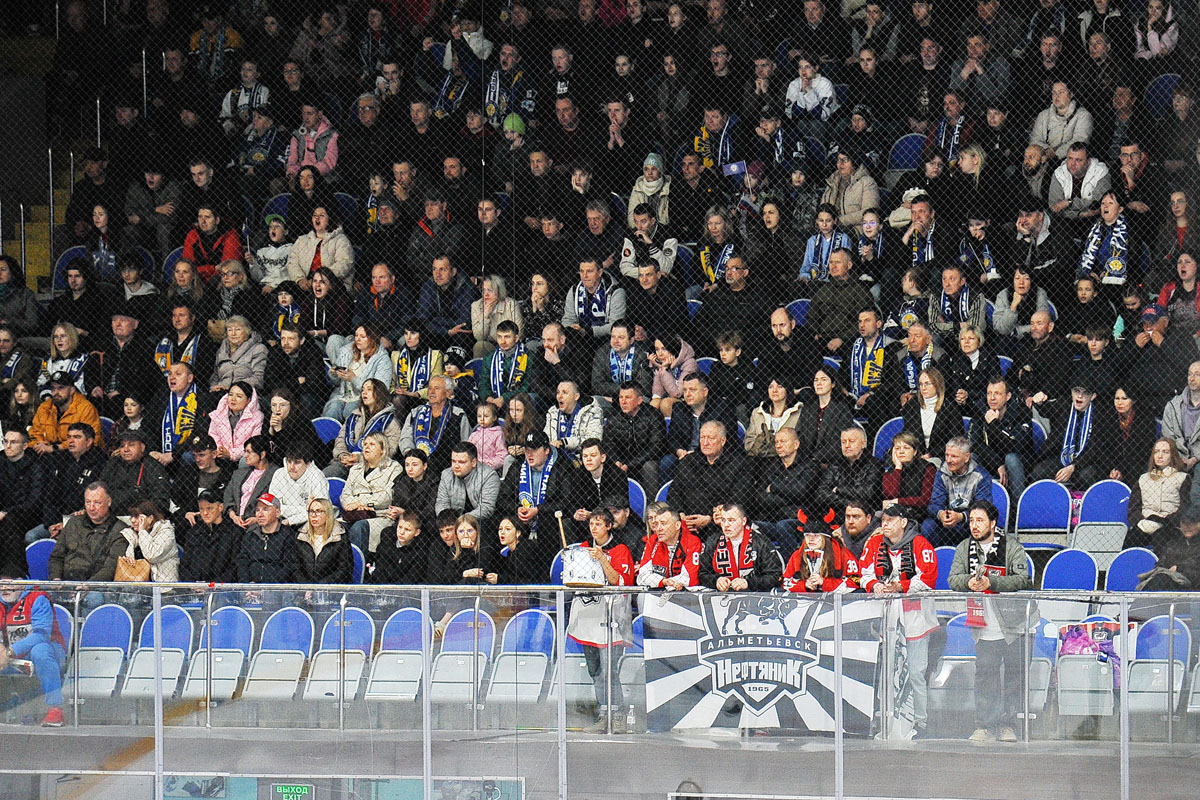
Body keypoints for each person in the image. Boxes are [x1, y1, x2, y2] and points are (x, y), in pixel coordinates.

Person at [948, 500, 1036, 744]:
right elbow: (953, 579)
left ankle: (1008, 726)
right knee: (986, 677)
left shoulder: (1012, 546)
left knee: (1014, 678)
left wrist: (992, 583)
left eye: (980, 520)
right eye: (972, 521)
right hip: (984, 625)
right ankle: (985, 726)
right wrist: (968, 582)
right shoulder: (964, 548)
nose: (974, 526)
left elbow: (1023, 579)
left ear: (993, 523)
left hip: (1015, 626)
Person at [859, 502, 939, 737]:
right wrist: (875, 585)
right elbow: (863, 574)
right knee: (885, 672)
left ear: (903, 522)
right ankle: (884, 718)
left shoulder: (921, 544)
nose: (884, 524)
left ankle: (920, 722)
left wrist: (900, 586)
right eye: (883, 520)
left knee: (915, 672)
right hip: (885, 619)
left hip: (916, 619)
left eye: (890, 520)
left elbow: (928, 579)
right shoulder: (874, 543)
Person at [566, 506, 635, 733]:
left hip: (610, 621)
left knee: (609, 671)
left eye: (598, 524)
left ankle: (618, 715)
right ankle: (604, 714)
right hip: (588, 619)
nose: (594, 528)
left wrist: (603, 559)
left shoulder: (620, 550)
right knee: (595, 671)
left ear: (609, 526)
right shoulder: (582, 549)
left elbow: (620, 581)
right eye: (591, 524)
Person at [0, 563, 69, 727]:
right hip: (9, 653)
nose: (4, 589)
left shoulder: (38, 598)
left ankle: (56, 709)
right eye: (1, 584)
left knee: (40, 650)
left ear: (22, 583)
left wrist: (9, 652)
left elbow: (41, 635)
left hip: (49, 651)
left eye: (9, 583)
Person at [1030, 379, 1116, 488]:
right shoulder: (1064, 405)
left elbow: (1095, 448)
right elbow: (1046, 410)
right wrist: (1039, 401)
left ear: (1093, 396)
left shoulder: (1100, 415)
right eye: (1076, 391)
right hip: (1061, 457)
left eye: (1085, 393)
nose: (1080, 396)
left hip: (1086, 462)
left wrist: (1074, 466)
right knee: (1039, 472)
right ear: (1071, 392)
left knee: (1086, 476)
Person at [673, 421, 753, 537]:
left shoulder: (739, 464)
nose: (705, 443)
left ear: (722, 441)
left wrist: (710, 519)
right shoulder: (687, 462)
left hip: (720, 527)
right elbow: (674, 492)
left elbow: (739, 499)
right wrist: (680, 514)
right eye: (702, 438)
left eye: (711, 438)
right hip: (686, 526)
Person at [47, 482, 125, 586]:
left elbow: (110, 568)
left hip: (97, 587)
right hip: (65, 583)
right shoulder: (73, 523)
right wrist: (56, 579)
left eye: (97, 503)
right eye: (88, 502)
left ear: (109, 502)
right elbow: (56, 557)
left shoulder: (119, 531)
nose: (91, 508)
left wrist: (88, 586)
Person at [924, 437, 994, 547]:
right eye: (947, 455)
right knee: (928, 526)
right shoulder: (941, 474)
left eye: (954, 456)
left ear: (966, 457)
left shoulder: (981, 476)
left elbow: (983, 507)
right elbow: (934, 504)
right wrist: (941, 514)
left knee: (983, 523)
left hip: (969, 522)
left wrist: (961, 516)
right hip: (947, 522)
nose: (948, 460)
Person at [698, 502, 783, 591]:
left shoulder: (761, 542)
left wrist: (749, 583)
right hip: (722, 595)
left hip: (754, 595)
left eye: (731, 520)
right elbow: (702, 574)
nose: (726, 525)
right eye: (723, 520)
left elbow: (776, 577)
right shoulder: (713, 541)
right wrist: (716, 580)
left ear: (743, 521)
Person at [341, 432, 403, 554]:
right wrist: (357, 507)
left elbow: (387, 497)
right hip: (354, 513)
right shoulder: (355, 469)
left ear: (382, 450)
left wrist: (360, 502)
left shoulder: (394, 468)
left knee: (359, 527)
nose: (366, 447)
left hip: (380, 515)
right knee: (335, 526)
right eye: (365, 444)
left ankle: (359, 564)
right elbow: (345, 496)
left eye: (372, 444)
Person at [1127, 438, 1192, 549]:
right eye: (1156, 452)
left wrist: (1165, 522)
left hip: (1169, 526)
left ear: (1172, 455)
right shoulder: (1143, 479)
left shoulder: (1182, 478)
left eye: (1165, 452)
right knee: (1131, 539)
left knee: (1161, 538)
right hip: (1145, 524)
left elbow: (1185, 507)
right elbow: (1133, 508)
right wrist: (1141, 522)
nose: (1160, 456)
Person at [795, 367, 855, 468]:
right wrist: (806, 458)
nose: (819, 383)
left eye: (823, 380)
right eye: (816, 380)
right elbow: (800, 435)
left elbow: (839, 441)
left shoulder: (842, 408)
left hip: (832, 462)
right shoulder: (808, 408)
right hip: (807, 461)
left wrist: (815, 458)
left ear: (833, 384)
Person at [29, 372, 103, 453]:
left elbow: (90, 440)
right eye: (53, 388)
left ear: (72, 390)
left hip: (80, 454)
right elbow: (34, 433)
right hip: (49, 453)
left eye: (61, 388)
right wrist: (39, 444)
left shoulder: (86, 408)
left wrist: (56, 448)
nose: (56, 392)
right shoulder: (45, 407)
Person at [634, 503, 703, 591]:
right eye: (657, 524)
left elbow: (689, 578)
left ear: (677, 525)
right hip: (658, 591)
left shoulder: (692, 542)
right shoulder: (653, 541)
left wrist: (668, 583)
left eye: (663, 524)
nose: (659, 528)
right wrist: (663, 581)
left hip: (685, 593)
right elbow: (642, 577)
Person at [235, 493, 300, 584]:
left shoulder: (288, 536)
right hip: (251, 588)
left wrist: (267, 587)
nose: (260, 514)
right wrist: (247, 584)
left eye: (265, 509)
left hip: (277, 588)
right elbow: (242, 563)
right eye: (257, 510)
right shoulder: (250, 536)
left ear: (277, 513)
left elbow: (289, 567)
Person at [782, 517, 860, 593]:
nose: (811, 539)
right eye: (807, 535)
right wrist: (804, 585)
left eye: (816, 535)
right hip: (808, 598)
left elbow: (855, 582)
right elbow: (785, 582)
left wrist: (824, 582)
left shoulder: (843, 554)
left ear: (825, 538)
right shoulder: (797, 555)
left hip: (835, 598)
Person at [178, 490, 242, 583]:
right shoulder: (193, 532)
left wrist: (214, 584)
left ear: (220, 507)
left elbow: (235, 566)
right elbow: (184, 565)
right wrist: (192, 584)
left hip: (223, 588)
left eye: (210, 508)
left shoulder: (234, 532)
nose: (205, 513)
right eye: (201, 509)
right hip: (195, 586)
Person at [267, 443, 330, 527]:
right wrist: (305, 510)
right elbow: (272, 508)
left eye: (297, 463)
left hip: (312, 524)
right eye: (289, 461)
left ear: (308, 464)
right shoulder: (279, 474)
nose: (291, 467)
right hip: (282, 520)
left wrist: (290, 520)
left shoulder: (317, 476)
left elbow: (320, 513)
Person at [590, 321, 652, 405]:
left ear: (631, 340)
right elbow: (597, 385)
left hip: (634, 400)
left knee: (643, 400)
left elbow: (644, 388)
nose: (616, 341)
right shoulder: (602, 352)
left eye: (621, 338)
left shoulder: (642, 354)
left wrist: (617, 396)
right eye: (613, 337)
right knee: (594, 400)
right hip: (609, 400)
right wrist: (623, 393)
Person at [118, 500, 180, 583]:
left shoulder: (166, 532)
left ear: (150, 518)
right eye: (132, 516)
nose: (132, 520)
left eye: (137, 516)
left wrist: (142, 531)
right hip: (136, 584)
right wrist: (128, 558)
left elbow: (152, 555)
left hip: (164, 585)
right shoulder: (131, 533)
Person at [224, 436, 278, 528]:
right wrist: (233, 516)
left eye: (249, 452)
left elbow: (275, 503)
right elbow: (228, 496)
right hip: (234, 521)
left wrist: (257, 519)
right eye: (245, 452)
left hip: (259, 525)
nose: (245, 455)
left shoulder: (275, 474)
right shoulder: (239, 473)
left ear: (262, 454)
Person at [296, 496, 352, 584]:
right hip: (304, 588)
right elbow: (295, 567)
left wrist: (320, 586)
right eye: (311, 511)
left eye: (318, 511)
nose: (314, 515)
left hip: (330, 588)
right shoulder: (301, 536)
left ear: (328, 514)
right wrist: (306, 586)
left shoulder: (340, 537)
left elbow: (344, 570)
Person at [882, 430, 938, 516]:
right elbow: (890, 496)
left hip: (919, 514)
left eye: (906, 448)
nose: (901, 451)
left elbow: (925, 500)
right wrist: (898, 468)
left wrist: (898, 501)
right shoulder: (891, 470)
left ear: (915, 452)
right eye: (897, 448)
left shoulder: (928, 468)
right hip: (894, 514)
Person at [744, 378, 802, 459]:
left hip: (788, 461)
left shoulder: (798, 413)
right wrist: (758, 445)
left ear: (787, 389)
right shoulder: (757, 413)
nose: (774, 390)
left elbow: (801, 441)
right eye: (770, 387)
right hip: (759, 460)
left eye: (779, 386)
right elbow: (748, 442)